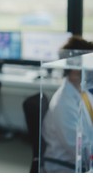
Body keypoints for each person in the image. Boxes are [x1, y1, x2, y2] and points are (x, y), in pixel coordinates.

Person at [42, 36, 93, 172]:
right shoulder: (63, 103)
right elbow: (79, 150)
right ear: (76, 67)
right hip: (65, 167)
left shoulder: (82, 92)